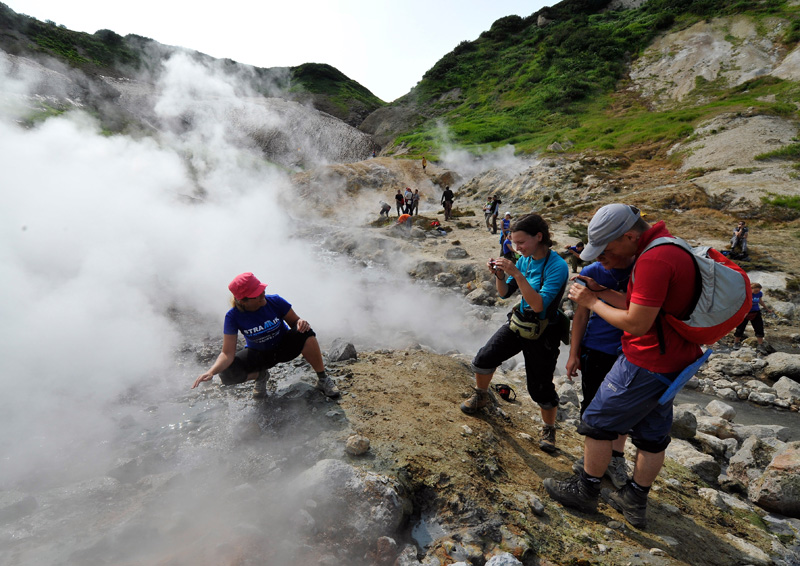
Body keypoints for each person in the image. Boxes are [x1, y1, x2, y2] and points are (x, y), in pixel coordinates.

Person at [544, 204, 702, 530]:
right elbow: (647, 306)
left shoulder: (653, 259)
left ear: (630, 235)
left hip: (647, 358)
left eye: (608, 249)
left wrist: (592, 302)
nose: (604, 258)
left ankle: (586, 490)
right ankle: (635, 499)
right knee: (651, 435)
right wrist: (603, 292)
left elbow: (637, 322)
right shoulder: (671, 246)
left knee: (598, 422)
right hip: (674, 358)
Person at [461, 213, 569, 454]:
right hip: (519, 322)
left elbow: (539, 304)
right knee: (484, 358)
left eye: (521, 242)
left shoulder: (557, 266)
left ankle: (549, 429)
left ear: (538, 237)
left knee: (539, 388)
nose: (516, 248)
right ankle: (481, 396)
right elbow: (504, 293)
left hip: (544, 331)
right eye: (513, 243)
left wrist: (517, 273)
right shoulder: (525, 260)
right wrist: (500, 274)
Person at [192, 272, 340, 399]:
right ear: (242, 300)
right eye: (257, 294)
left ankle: (322, 379)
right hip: (259, 355)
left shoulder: (274, 301)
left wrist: (301, 322)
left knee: (305, 331)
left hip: (284, 347)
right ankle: (261, 376)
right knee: (226, 374)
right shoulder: (233, 316)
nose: (263, 294)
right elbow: (227, 353)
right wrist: (211, 372)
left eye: (262, 289)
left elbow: (295, 321)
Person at [566, 255, 634, 489]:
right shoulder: (593, 270)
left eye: (606, 251)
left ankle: (615, 459)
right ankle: (593, 461)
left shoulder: (641, 267)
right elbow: (581, 314)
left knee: (621, 409)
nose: (602, 258)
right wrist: (573, 353)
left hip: (630, 353)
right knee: (593, 406)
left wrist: (599, 293)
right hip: (596, 348)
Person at [733, 282, 771, 353]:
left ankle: (760, 345)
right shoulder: (746, 294)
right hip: (745, 313)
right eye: (756, 291)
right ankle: (736, 343)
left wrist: (767, 309)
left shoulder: (759, 293)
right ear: (751, 289)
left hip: (756, 312)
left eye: (759, 290)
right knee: (740, 328)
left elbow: (760, 301)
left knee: (759, 328)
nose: (757, 292)